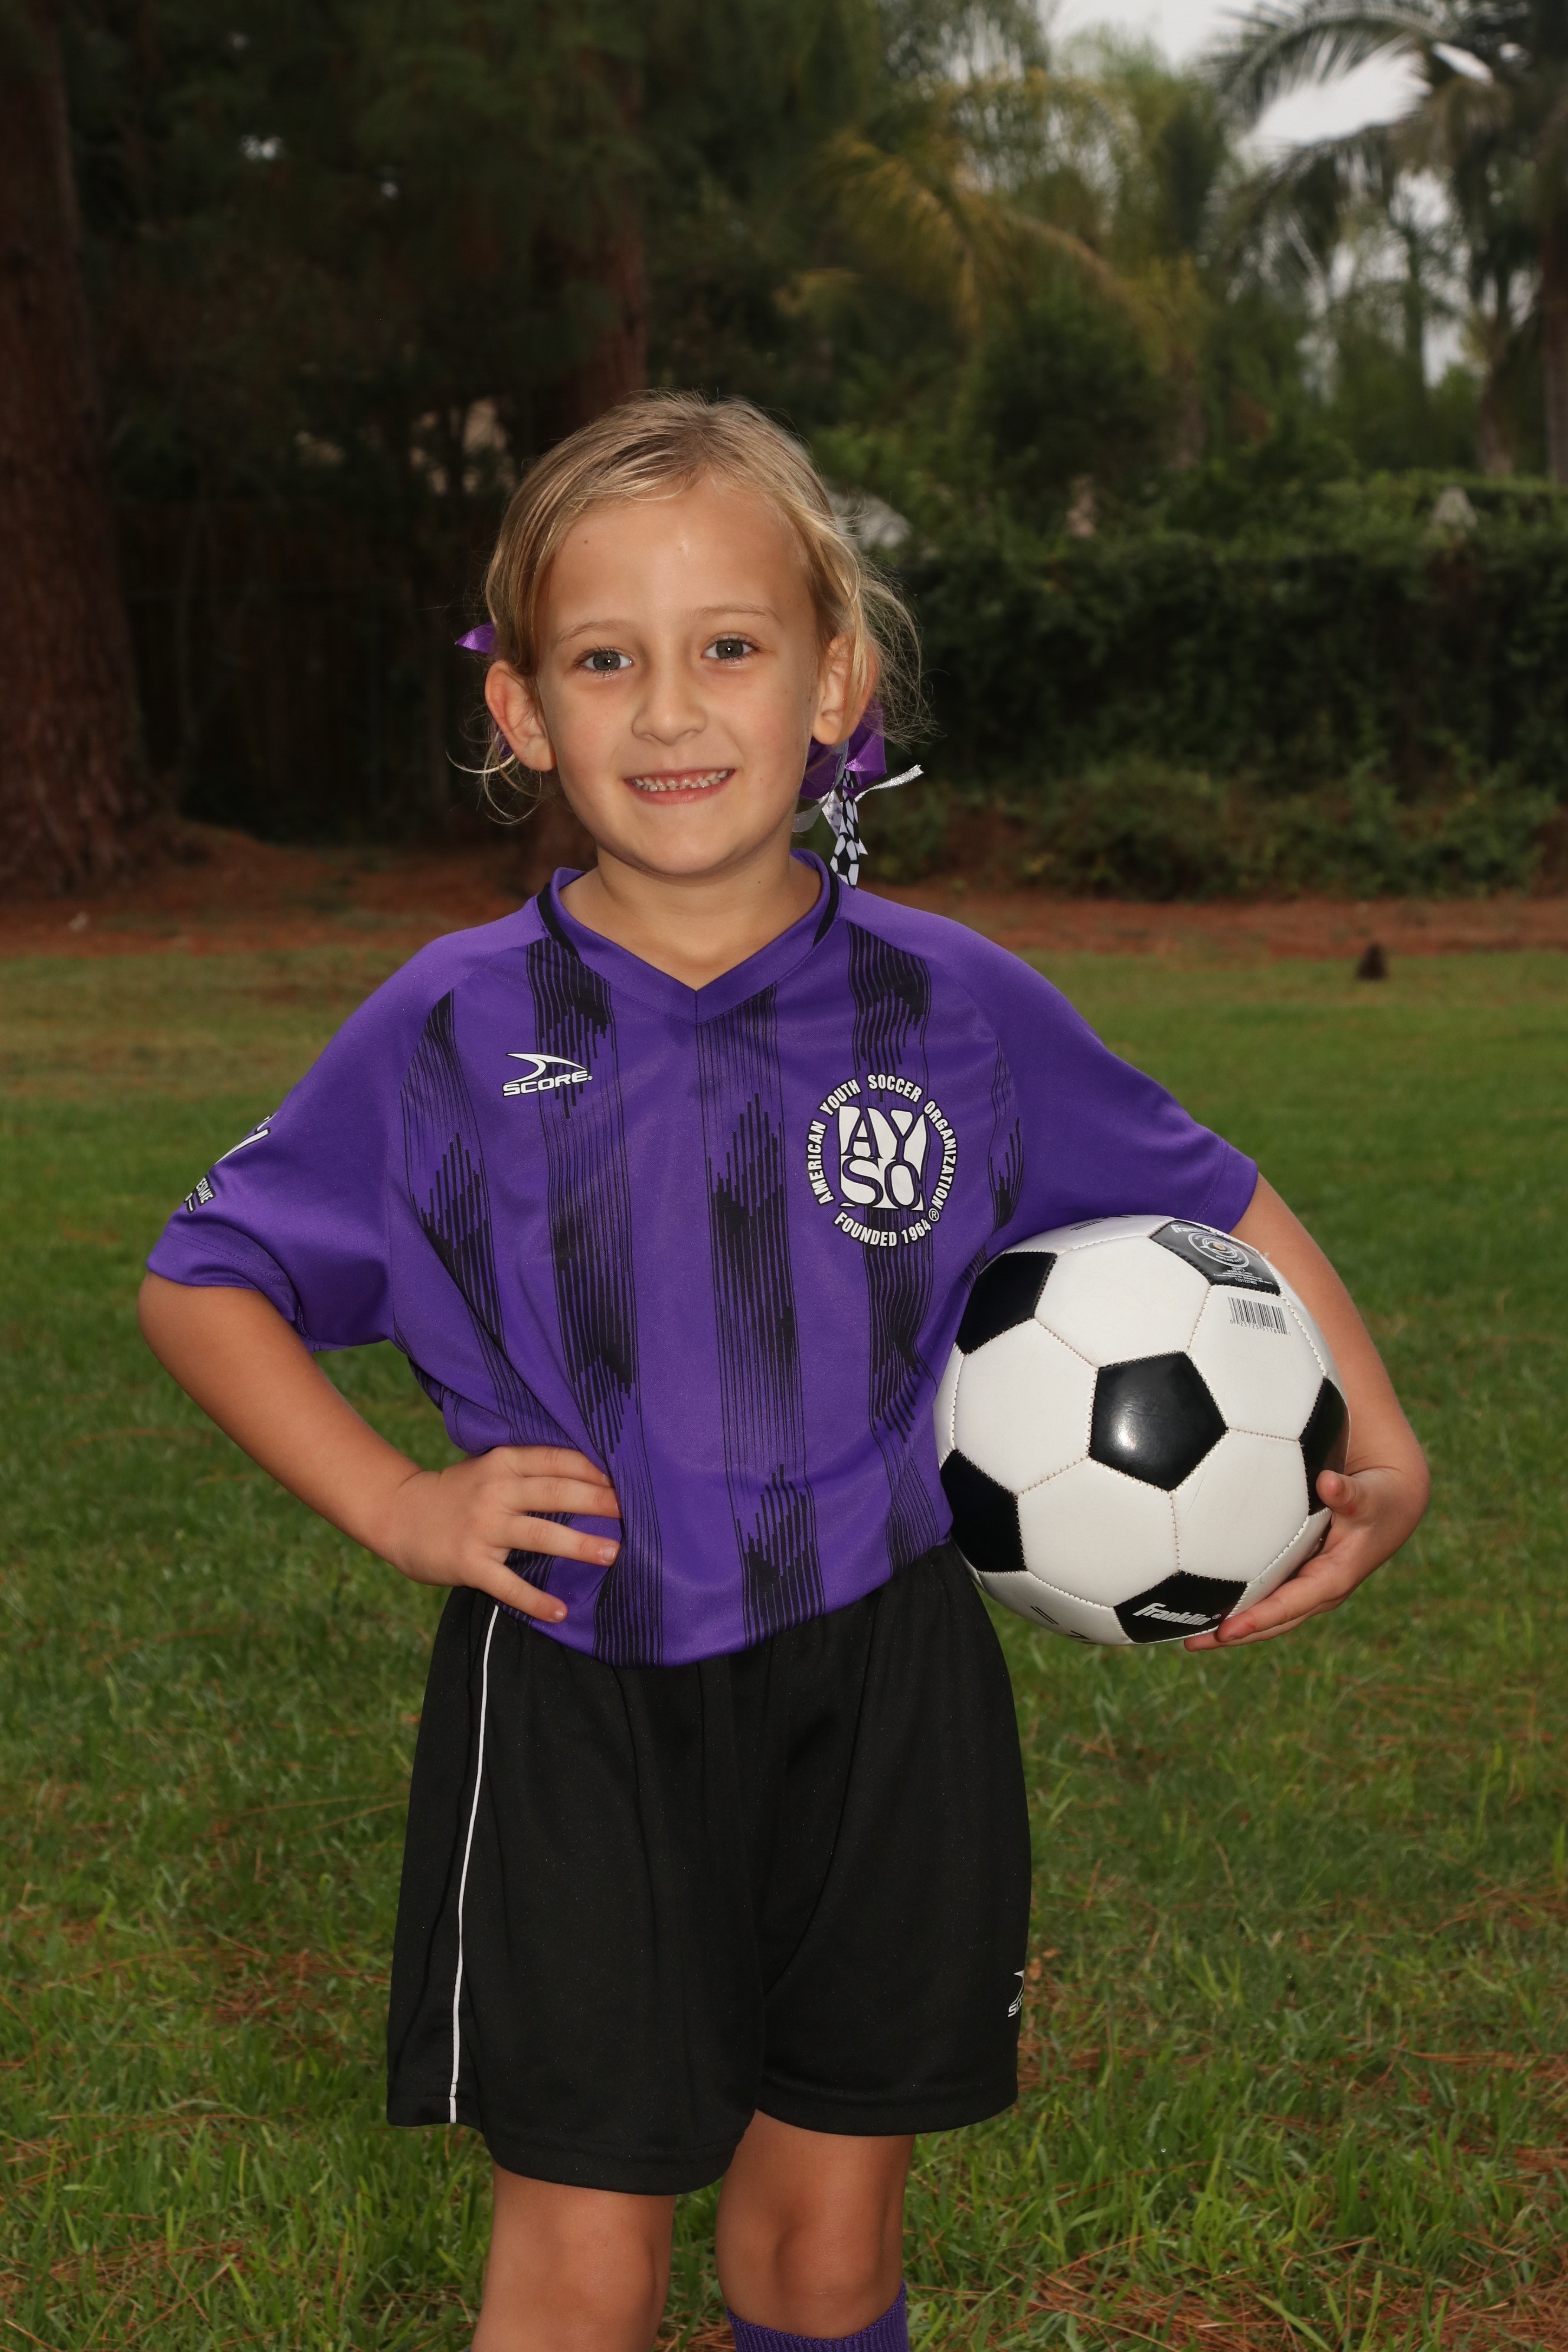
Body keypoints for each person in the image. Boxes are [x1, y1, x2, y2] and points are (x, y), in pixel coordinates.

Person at [138, 393, 1429, 2352]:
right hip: (577, 1683)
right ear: (521, 714)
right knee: (584, 2258)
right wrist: (399, 1501)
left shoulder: (954, 1004)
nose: (670, 710)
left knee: (824, 2245)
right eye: (605, 661)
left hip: (887, 1679)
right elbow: (206, 1279)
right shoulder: (447, 1028)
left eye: (728, 646)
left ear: (834, 684)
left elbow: (1207, 1189)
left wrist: (1378, 1431)